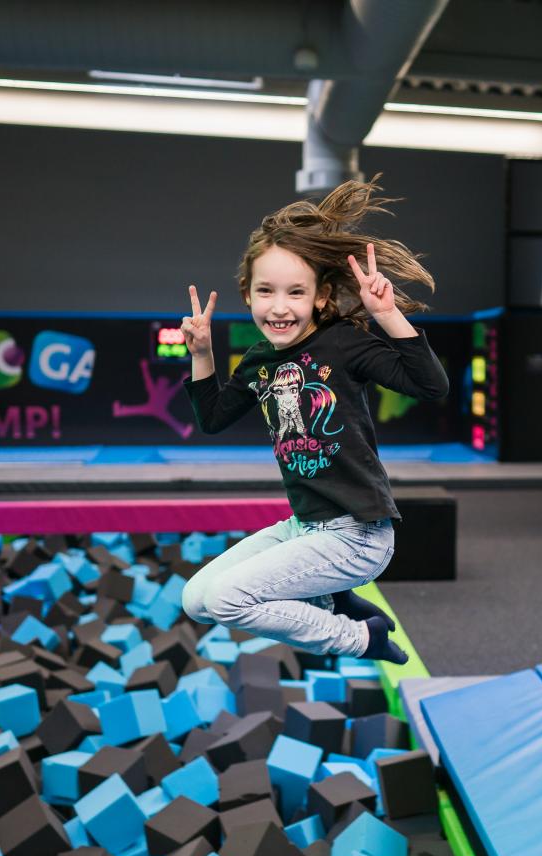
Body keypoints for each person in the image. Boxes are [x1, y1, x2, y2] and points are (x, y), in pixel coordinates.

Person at [178, 178, 449, 664]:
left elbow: (431, 386)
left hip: (357, 534)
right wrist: (201, 353)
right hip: (304, 527)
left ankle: (360, 638)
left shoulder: (342, 343)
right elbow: (213, 418)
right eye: (265, 291)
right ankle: (333, 600)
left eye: (295, 292)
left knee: (227, 599)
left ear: (320, 297)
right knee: (196, 600)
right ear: (248, 295)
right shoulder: (259, 361)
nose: (279, 307)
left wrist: (387, 314)